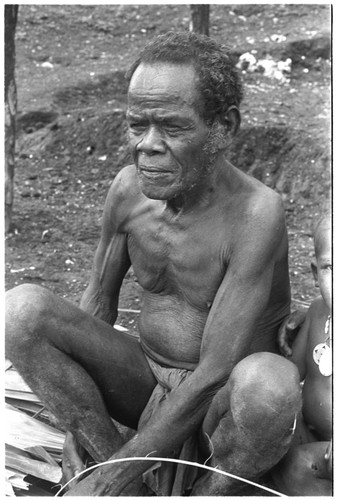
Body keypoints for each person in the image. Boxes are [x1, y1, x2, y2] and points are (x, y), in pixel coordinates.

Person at [5, 31, 302, 496]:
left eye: (172, 127)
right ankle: (121, 481)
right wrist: (75, 428)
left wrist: (118, 470)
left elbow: (217, 371)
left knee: (269, 385)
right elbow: (97, 305)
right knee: (21, 310)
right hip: (142, 379)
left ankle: (210, 490)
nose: (147, 145)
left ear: (224, 127)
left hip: (221, 412)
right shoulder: (127, 190)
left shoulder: (256, 213)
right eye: (136, 125)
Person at [272, 215, 332, 496]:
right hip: (311, 435)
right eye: (330, 267)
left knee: (298, 467)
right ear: (314, 272)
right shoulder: (318, 313)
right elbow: (289, 374)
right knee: (272, 436)